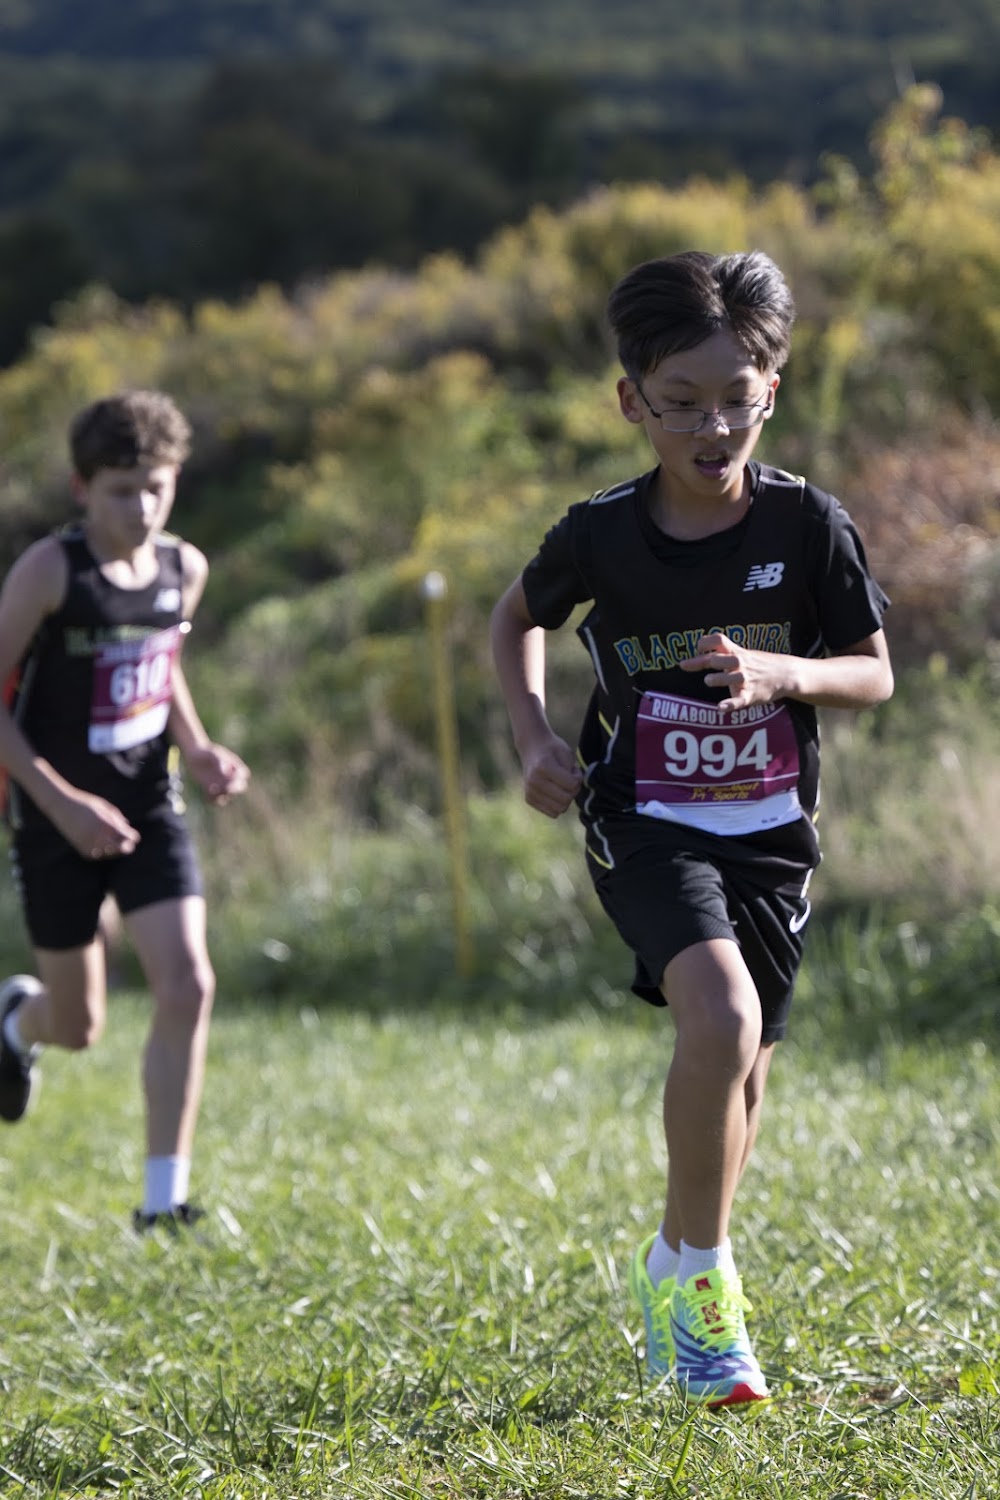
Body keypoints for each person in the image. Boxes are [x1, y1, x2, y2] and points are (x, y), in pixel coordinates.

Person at [490, 251, 892, 1406]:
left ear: (772, 390)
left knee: (745, 1073)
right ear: (632, 401)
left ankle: (673, 1259)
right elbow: (514, 619)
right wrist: (532, 739)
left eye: (735, 399)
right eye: (681, 403)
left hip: (769, 829)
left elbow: (872, 675)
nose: (712, 427)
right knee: (718, 1014)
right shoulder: (601, 534)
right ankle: (710, 1300)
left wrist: (782, 673)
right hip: (644, 814)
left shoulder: (809, 525)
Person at [0, 389, 250, 1230]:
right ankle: (17, 1022)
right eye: (119, 491)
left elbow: (162, 661)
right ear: (82, 488)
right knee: (78, 1026)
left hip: (148, 803)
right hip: (53, 816)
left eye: (155, 488)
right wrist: (63, 804)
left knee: (189, 983)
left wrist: (199, 747)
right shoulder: (50, 572)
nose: (140, 509)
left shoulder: (185, 568)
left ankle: (161, 1202)